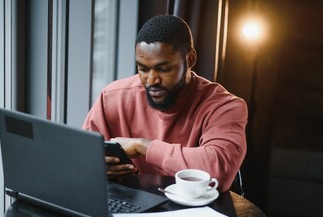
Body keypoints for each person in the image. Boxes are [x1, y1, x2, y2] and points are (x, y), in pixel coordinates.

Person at [82, 15, 248, 192]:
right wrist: (96, 166)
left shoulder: (225, 107)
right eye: (143, 69)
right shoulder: (112, 97)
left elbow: (219, 171)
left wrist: (143, 146)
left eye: (164, 69)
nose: (151, 80)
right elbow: (81, 155)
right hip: (130, 206)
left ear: (190, 59)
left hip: (196, 212)